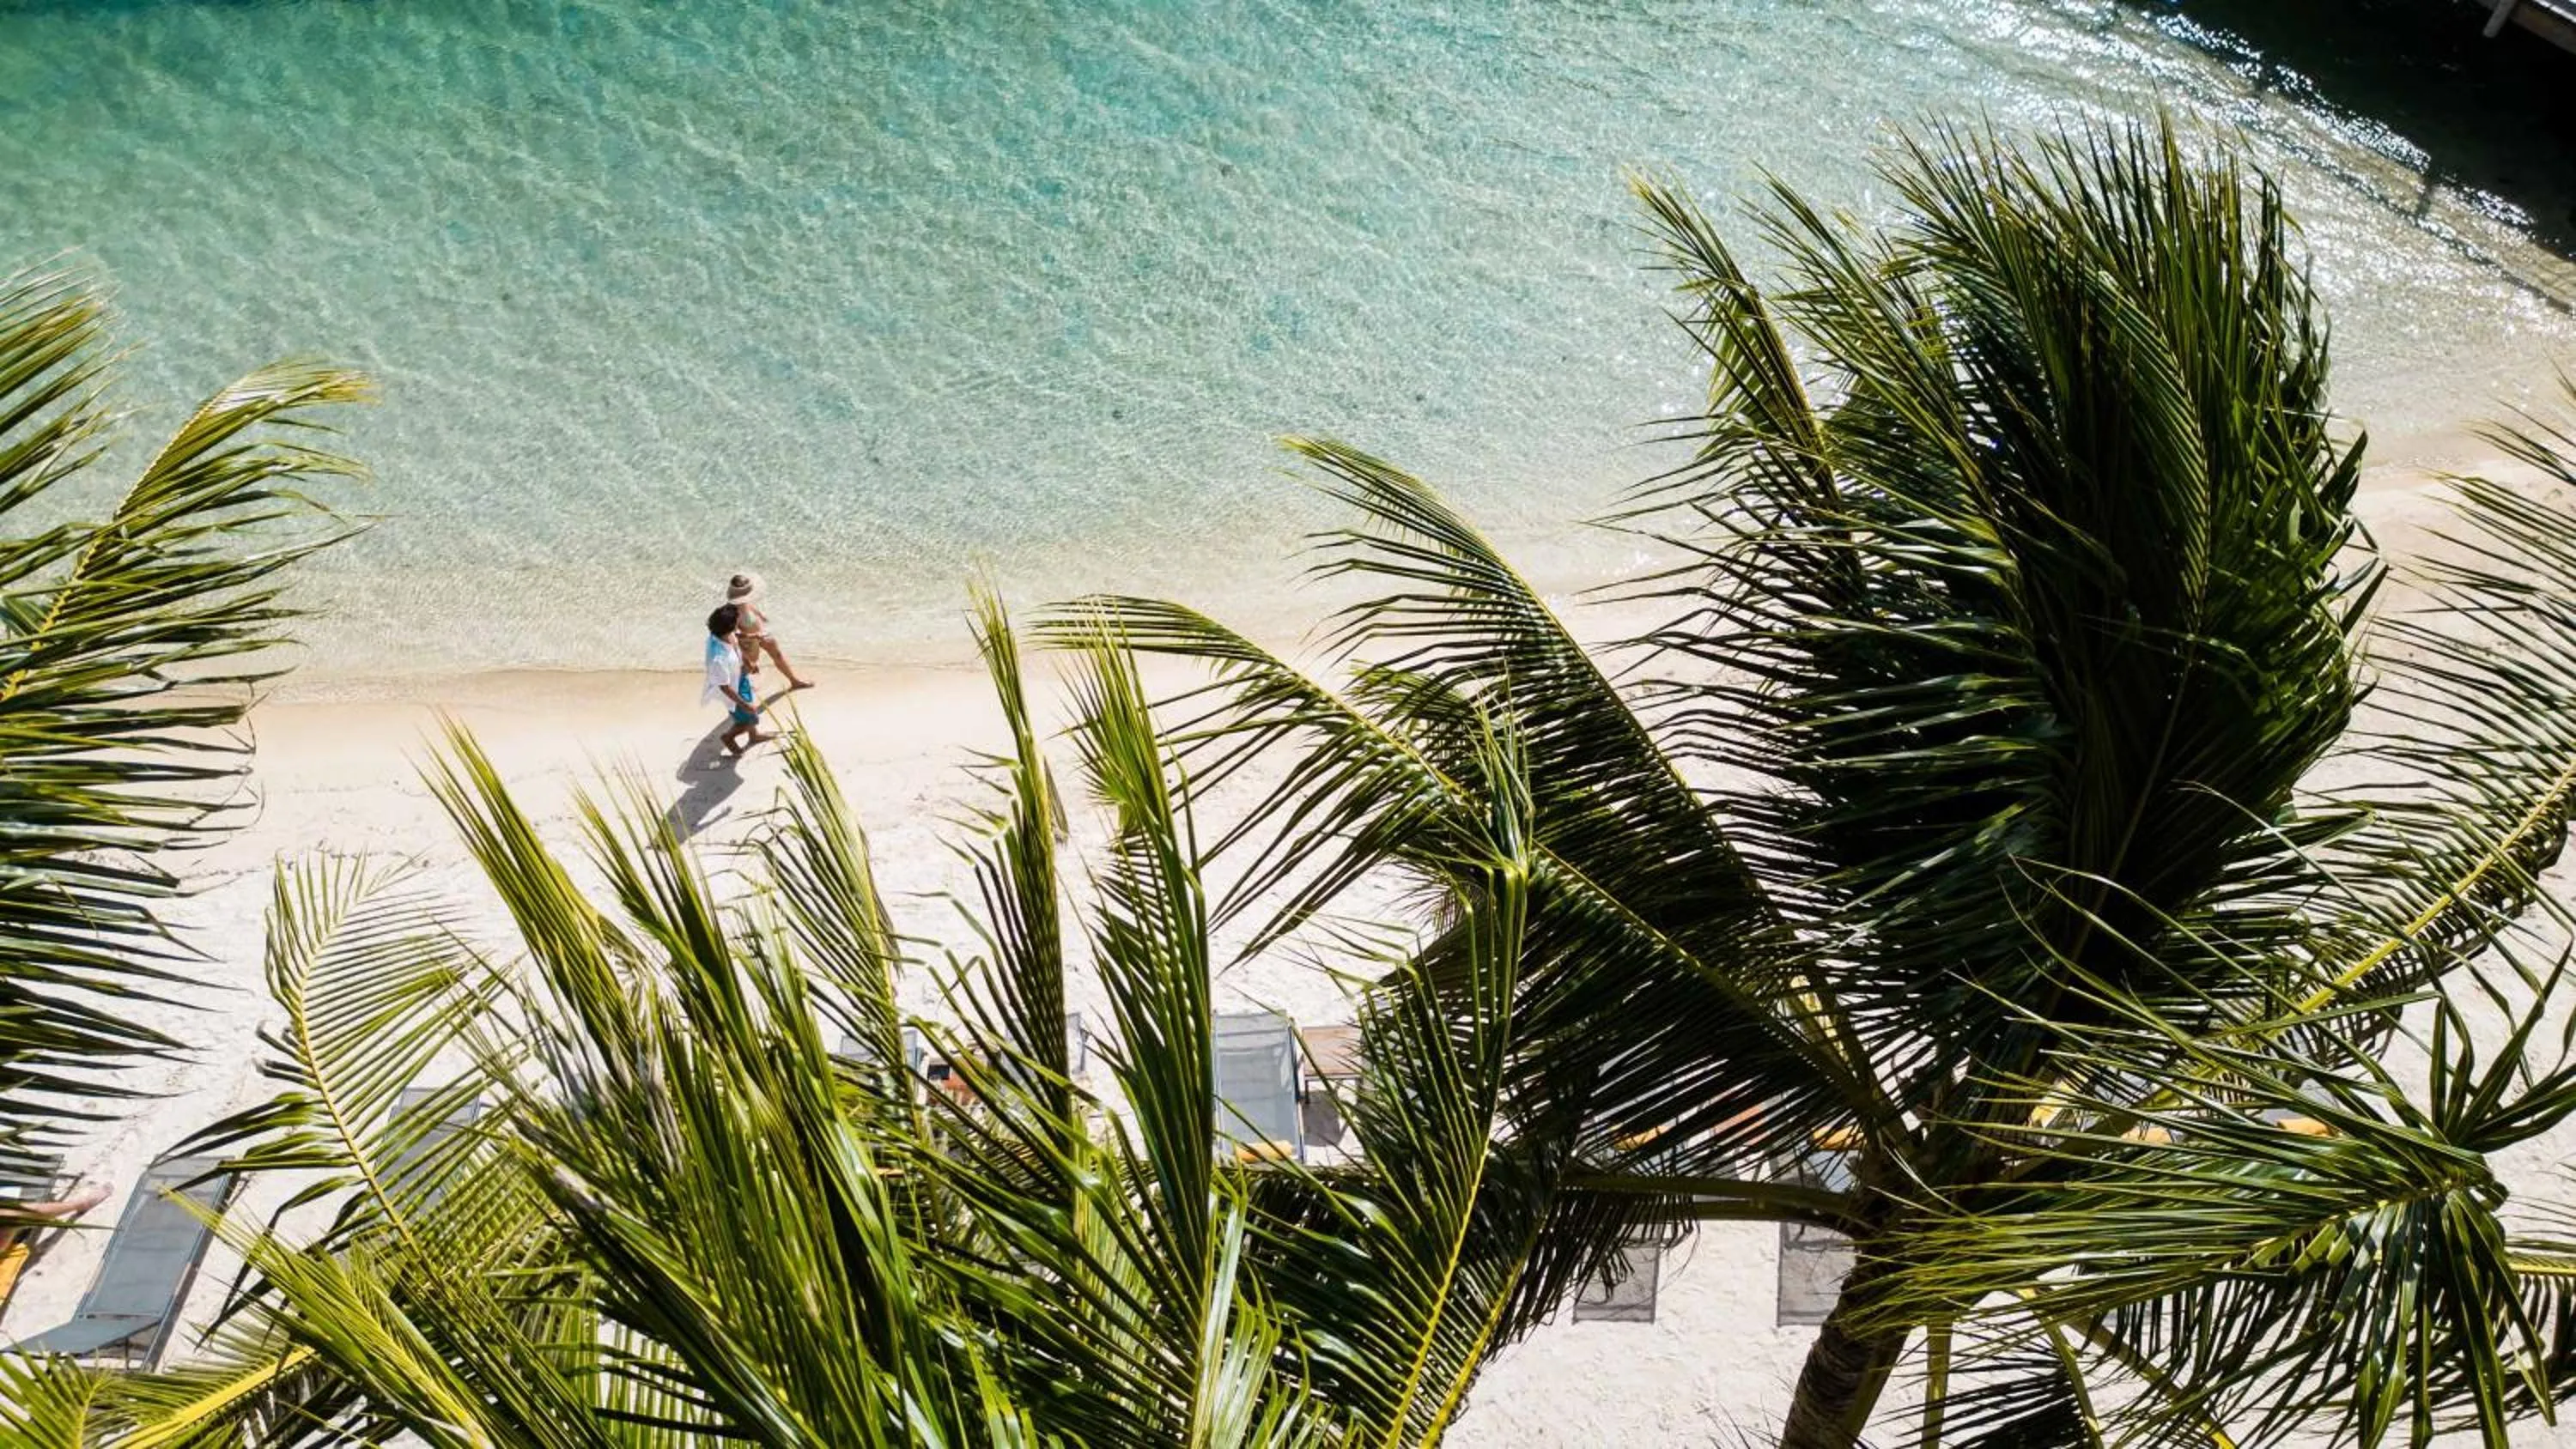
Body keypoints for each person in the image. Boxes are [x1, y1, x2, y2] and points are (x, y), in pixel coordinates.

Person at [704, 603, 775, 755]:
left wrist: (749, 662)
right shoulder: (719, 658)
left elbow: (736, 640)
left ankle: (754, 736)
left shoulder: (724, 633)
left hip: (739, 677)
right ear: (729, 627)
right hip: (731, 688)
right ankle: (728, 737)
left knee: (749, 715)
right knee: (747, 719)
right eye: (737, 622)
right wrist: (745, 705)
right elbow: (725, 688)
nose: (739, 624)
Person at [726, 573, 813, 690]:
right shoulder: (731, 610)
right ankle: (738, 689)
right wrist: (754, 636)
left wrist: (761, 616)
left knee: (778, 655)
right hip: (749, 641)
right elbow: (734, 634)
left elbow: (749, 607)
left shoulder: (743, 602)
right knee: (749, 666)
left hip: (762, 635)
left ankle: (794, 681)